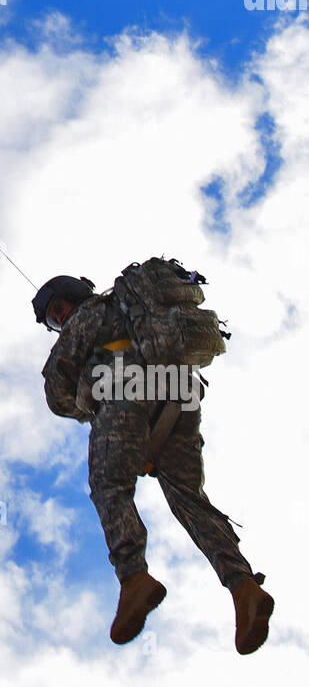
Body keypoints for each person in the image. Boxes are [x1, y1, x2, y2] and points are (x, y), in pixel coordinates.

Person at [32, 274, 274, 654]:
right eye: (53, 318)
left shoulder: (89, 314)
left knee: (109, 483)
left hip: (125, 389)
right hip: (178, 394)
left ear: (75, 298)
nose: (60, 319)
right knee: (190, 500)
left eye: (60, 308)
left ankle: (133, 578)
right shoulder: (131, 311)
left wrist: (84, 398)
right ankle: (244, 588)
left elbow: (56, 391)